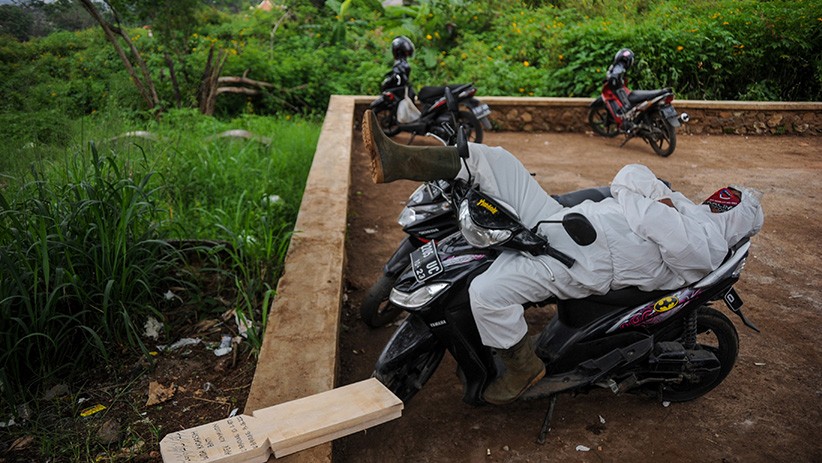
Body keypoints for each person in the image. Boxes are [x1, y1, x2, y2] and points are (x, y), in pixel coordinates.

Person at [361, 109, 765, 405]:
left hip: (586, 261)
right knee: (497, 160)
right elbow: (629, 173)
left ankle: (521, 367)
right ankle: (400, 159)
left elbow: (649, 211)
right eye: (721, 199)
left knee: (485, 292)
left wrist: (647, 199)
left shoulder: (708, 245)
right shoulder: (683, 207)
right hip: (565, 220)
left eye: (726, 205)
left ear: (733, 218)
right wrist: (650, 197)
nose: (717, 204)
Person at [607, 48, 635, 115]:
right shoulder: (620, 66)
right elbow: (615, 75)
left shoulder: (619, 66)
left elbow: (614, 75)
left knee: (627, 105)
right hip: (620, 87)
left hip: (619, 88)